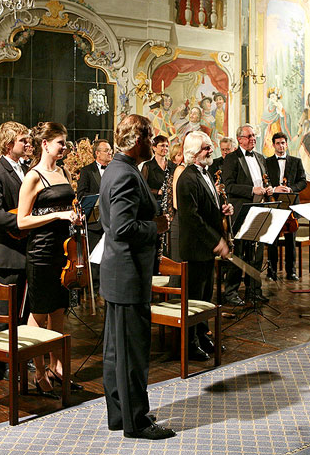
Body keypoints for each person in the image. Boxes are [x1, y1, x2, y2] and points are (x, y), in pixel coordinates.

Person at [99, 114, 175, 440]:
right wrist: (156, 226)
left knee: (117, 352)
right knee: (132, 353)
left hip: (118, 273)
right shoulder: (125, 175)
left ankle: (121, 414)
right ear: (137, 139)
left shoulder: (119, 169)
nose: (153, 142)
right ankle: (138, 422)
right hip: (128, 274)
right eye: (150, 137)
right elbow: (122, 228)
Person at [16, 122, 82, 398]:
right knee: (39, 312)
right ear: (45, 144)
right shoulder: (33, 176)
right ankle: (38, 371)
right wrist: (57, 215)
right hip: (41, 252)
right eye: (60, 143)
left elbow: (68, 205)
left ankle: (57, 367)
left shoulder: (64, 171)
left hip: (63, 250)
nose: (65, 148)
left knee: (58, 311)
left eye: (65, 143)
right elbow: (22, 221)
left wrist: (74, 215)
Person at [176, 131, 232, 361]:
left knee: (205, 297)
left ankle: (201, 333)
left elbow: (207, 208)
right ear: (193, 152)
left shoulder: (206, 173)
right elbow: (192, 219)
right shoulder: (187, 178)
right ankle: (189, 343)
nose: (211, 151)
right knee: (193, 298)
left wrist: (223, 210)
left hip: (207, 248)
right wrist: (216, 241)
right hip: (196, 248)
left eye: (210, 147)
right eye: (206, 148)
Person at [0, 121, 32, 339]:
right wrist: (23, 221)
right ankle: (3, 362)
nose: (28, 143)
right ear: (9, 144)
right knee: (7, 312)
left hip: (25, 248)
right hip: (8, 251)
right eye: (23, 140)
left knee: (24, 309)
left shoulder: (27, 170)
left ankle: (22, 353)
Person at [223, 124, 273, 305]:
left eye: (254, 136)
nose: (253, 138)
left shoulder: (260, 157)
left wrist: (268, 189)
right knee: (240, 253)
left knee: (257, 253)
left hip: (260, 210)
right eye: (249, 136)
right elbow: (229, 186)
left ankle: (254, 290)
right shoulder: (231, 159)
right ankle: (231, 292)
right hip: (241, 211)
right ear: (240, 139)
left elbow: (265, 179)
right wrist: (252, 189)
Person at [265, 131, 307, 281]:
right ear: (273, 145)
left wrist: (291, 189)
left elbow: (303, 182)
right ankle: (272, 271)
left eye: (283, 143)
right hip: (274, 204)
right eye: (278, 143)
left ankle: (291, 271)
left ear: (286, 144)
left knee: (291, 240)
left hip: (291, 207)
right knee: (272, 239)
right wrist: (274, 188)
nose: (281, 146)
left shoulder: (296, 161)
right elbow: (265, 181)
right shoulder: (267, 162)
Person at [76, 138, 112, 292]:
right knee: (93, 258)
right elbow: (81, 194)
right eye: (107, 150)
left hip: (111, 221)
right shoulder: (86, 171)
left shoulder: (114, 169)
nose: (110, 152)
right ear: (97, 153)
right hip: (94, 221)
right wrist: (100, 196)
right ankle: (95, 289)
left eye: (110, 150)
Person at [141, 134, 176, 200]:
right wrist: (158, 192)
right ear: (154, 148)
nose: (165, 148)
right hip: (154, 204)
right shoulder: (148, 166)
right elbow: (142, 187)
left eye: (167, 146)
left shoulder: (173, 166)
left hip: (169, 204)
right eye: (162, 145)